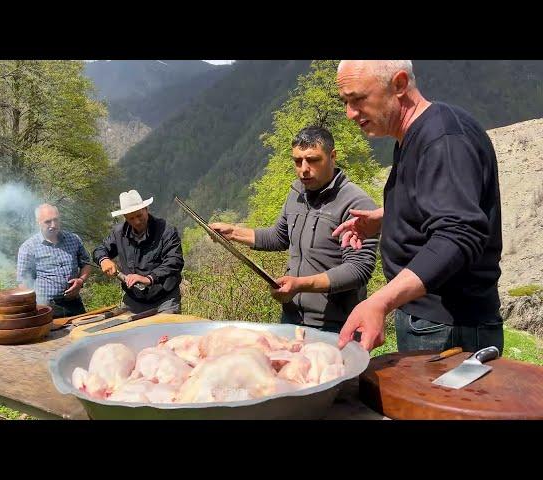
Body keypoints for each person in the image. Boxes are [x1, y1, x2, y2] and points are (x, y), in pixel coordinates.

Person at [333, 60, 503, 354]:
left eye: (358, 99)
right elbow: (440, 200)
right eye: (345, 102)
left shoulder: (444, 140)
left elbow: (459, 233)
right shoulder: (413, 136)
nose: (350, 114)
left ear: (399, 85)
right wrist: (385, 218)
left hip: (449, 327)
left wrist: (380, 301)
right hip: (430, 320)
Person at [210, 126, 379, 332]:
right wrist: (233, 233)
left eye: (313, 159)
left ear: (332, 156)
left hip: (337, 326)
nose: (304, 169)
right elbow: (279, 237)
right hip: (291, 320)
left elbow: (358, 270)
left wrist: (299, 284)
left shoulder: (356, 203)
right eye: (297, 161)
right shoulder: (297, 192)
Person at [93, 189, 184, 314]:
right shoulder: (118, 233)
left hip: (165, 299)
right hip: (134, 300)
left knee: (167, 333)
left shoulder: (166, 231)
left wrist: (149, 278)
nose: (136, 221)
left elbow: (175, 261)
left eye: (139, 216)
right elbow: (100, 249)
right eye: (131, 218)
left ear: (146, 209)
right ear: (125, 217)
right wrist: (104, 260)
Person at [17, 203, 92, 318]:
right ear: (38, 222)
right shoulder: (28, 247)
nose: (53, 225)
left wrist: (81, 281)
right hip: (46, 307)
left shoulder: (74, 239)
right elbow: (23, 282)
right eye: (48, 222)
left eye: (56, 220)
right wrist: (32, 308)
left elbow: (86, 263)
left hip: (74, 303)